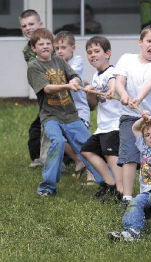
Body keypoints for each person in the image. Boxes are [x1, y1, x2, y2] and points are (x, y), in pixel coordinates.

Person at [27, 28, 104, 196]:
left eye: (48, 43)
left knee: (88, 146)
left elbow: (74, 75)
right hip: (50, 116)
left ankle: (107, 183)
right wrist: (67, 86)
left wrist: (75, 80)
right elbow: (47, 88)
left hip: (70, 114)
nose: (46, 47)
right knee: (58, 143)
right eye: (41, 44)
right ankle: (48, 187)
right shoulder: (34, 66)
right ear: (34, 48)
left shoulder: (59, 62)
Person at [115, 25, 151, 209]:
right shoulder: (126, 59)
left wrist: (138, 98)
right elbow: (119, 81)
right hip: (130, 117)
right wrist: (122, 94)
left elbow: (149, 83)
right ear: (140, 42)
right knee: (129, 157)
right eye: (149, 41)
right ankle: (127, 199)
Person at [107, 113, 151, 241]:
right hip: (147, 191)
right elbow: (135, 128)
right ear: (144, 139)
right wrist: (143, 119)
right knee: (134, 202)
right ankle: (132, 231)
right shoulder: (144, 148)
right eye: (147, 134)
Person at [81, 36, 123, 198]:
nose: (92, 55)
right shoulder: (95, 76)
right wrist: (90, 92)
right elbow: (93, 104)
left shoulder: (112, 72)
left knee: (111, 156)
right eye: (89, 52)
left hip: (114, 125)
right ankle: (110, 184)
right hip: (103, 126)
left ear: (107, 53)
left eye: (96, 51)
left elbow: (113, 84)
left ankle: (121, 190)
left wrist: (111, 91)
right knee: (87, 150)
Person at [53, 30, 95, 185]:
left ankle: (92, 173)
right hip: (62, 111)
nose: (59, 51)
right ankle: (79, 160)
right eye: (56, 48)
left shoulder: (77, 61)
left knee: (83, 142)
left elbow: (68, 77)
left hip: (78, 110)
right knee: (58, 138)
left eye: (63, 47)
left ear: (73, 48)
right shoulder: (54, 62)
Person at [19, 9, 43, 168]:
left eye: (31, 24)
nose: (28, 28)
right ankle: (37, 157)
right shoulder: (27, 50)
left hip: (61, 91)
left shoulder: (50, 42)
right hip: (44, 93)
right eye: (24, 25)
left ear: (40, 24)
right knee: (38, 127)